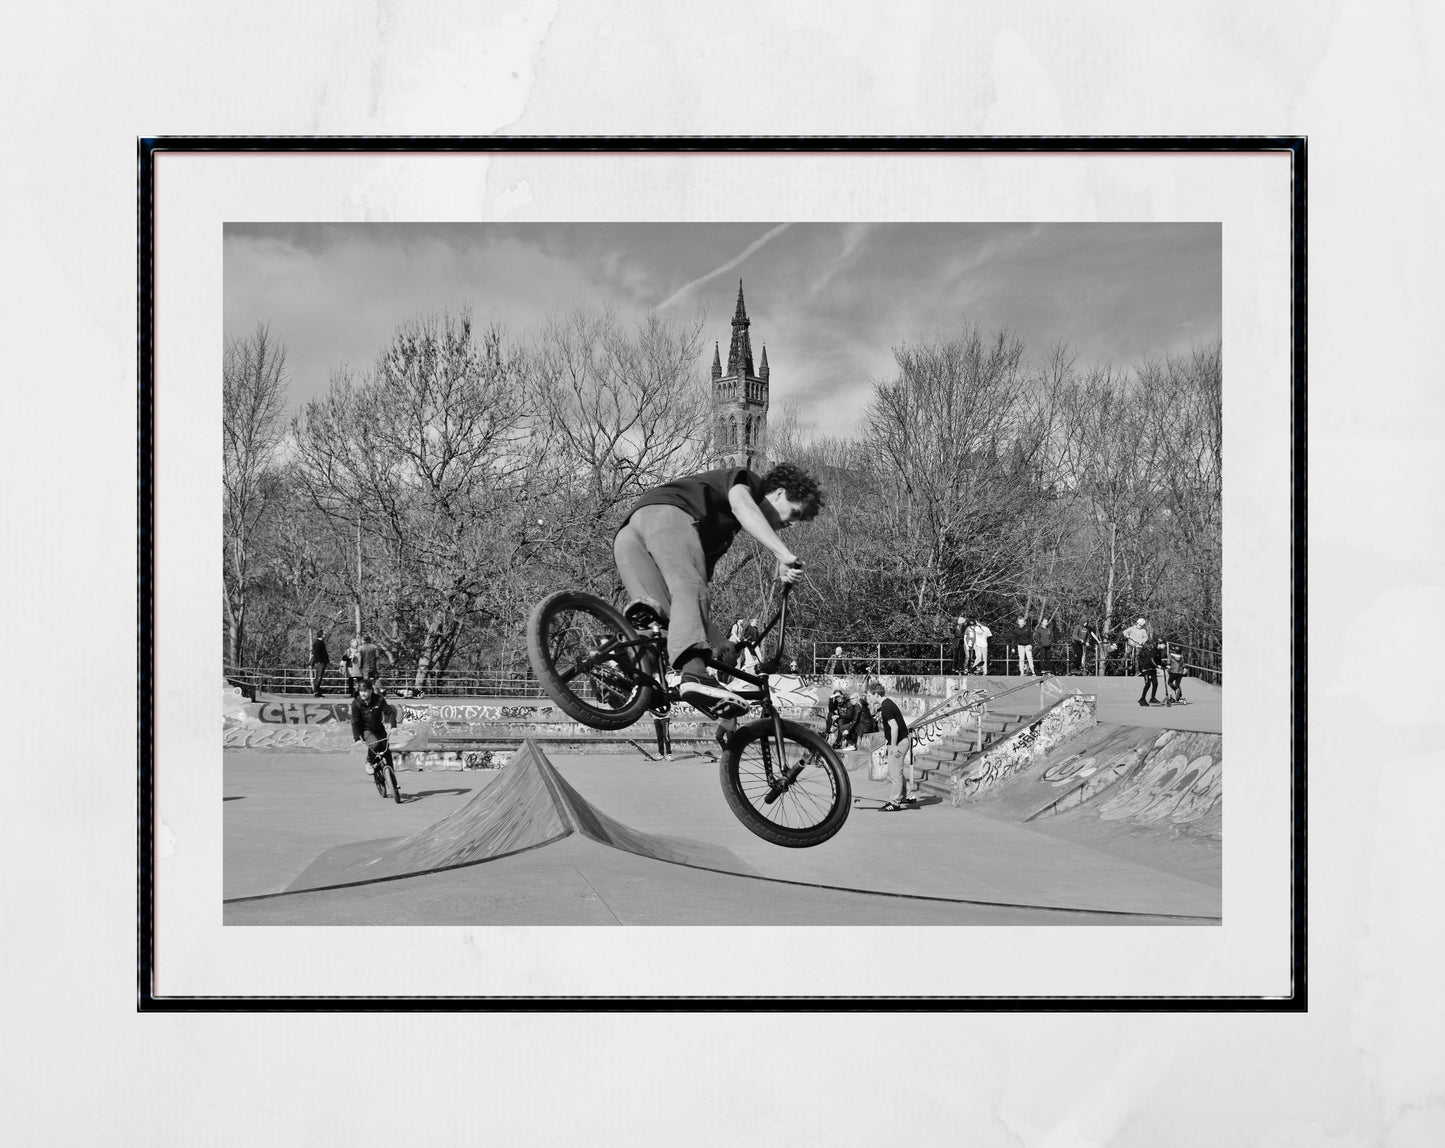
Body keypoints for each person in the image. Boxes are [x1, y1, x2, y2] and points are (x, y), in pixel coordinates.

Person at [613, 462, 823, 716]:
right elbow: (742, 506)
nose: (792, 525)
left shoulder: (718, 535)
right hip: (669, 515)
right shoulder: (749, 484)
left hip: (628, 536)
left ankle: (616, 660)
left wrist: (720, 641)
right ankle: (694, 675)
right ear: (779, 493)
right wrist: (783, 554)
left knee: (662, 619)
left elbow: (689, 601)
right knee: (690, 589)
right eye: (796, 513)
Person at [867, 681, 915, 811]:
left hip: (899, 743)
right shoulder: (887, 704)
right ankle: (908, 796)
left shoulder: (886, 706)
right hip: (901, 741)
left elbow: (894, 727)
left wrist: (893, 746)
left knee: (895, 774)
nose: (869, 699)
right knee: (896, 771)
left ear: (876, 694)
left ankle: (895, 803)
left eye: (869, 696)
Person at [350, 677, 399, 796]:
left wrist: (393, 726)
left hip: (379, 729)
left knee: (387, 754)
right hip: (366, 730)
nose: (363, 693)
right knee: (374, 744)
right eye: (361, 691)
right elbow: (355, 722)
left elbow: (390, 712)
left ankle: (394, 784)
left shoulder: (379, 700)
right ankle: (369, 761)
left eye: (366, 691)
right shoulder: (356, 704)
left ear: (371, 691)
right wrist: (357, 738)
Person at [1137, 636, 1162, 706]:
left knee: (1155, 683)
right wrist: (1156, 666)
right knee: (1148, 684)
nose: (1164, 645)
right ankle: (1142, 699)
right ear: (1158, 644)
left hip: (1152, 669)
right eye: (1162, 644)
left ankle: (1152, 698)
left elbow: (1159, 661)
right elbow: (1151, 660)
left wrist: (1166, 665)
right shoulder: (1153, 651)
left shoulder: (1158, 651)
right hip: (1146, 669)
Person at [1164, 641, 1188, 705]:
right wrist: (1184, 669)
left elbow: (1168, 663)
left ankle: (1176, 690)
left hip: (1173, 671)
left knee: (1170, 682)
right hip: (1180, 672)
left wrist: (1168, 667)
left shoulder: (1170, 656)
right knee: (1178, 684)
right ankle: (1179, 698)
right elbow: (1183, 664)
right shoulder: (1182, 657)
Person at [308, 628, 330, 697]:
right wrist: (320, 661)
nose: (325, 635)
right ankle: (316, 691)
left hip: (322, 662)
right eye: (324, 634)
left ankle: (318, 691)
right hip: (319, 663)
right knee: (318, 677)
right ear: (321, 635)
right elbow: (316, 654)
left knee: (320, 677)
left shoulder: (321, 643)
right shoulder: (317, 643)